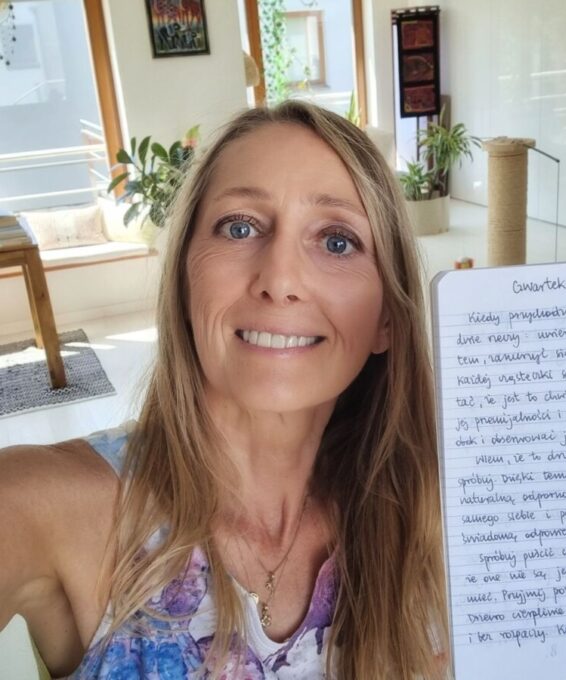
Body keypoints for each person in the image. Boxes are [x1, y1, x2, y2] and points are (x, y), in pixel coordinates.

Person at [0, 100, 449, 678]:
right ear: (185, 279)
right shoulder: (44, 506)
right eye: (240, 227)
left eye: (337, 241)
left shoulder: (428, 514)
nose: (279, 280)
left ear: (387, 317)